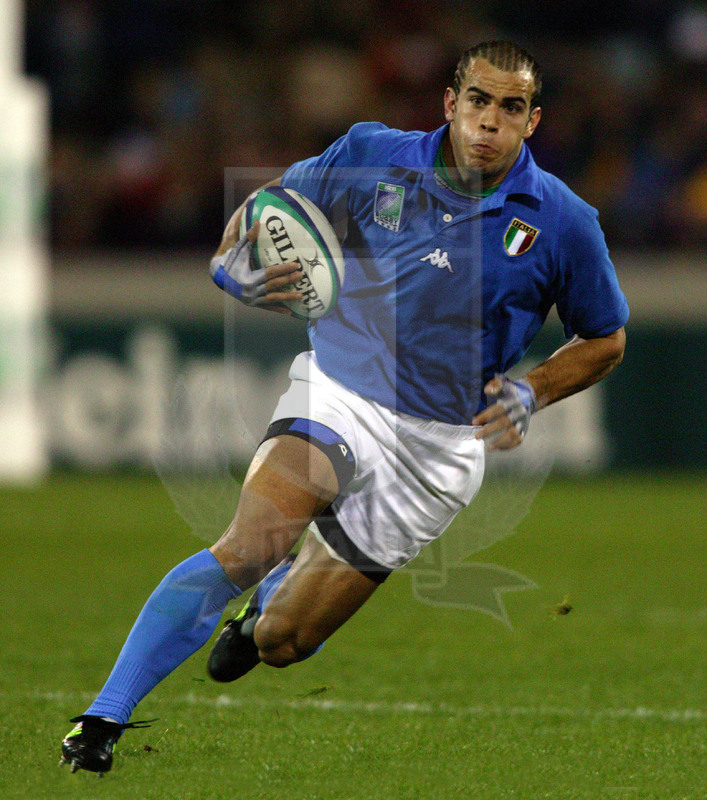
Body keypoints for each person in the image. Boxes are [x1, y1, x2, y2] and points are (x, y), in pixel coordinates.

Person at [60, 40, 628, 775]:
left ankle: (265, 614)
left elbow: (605, 338)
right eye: (479, 101)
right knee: (250, 543)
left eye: (511, 107)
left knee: (284, 643)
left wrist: (533, 389)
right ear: (450, 103)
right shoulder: (371, 154)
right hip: (339, 390)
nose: (491, 121)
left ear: (533, 120)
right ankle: (102, 719)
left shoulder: (563, 221)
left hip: (438, 450)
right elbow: (265, 211)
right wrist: (230, 267)